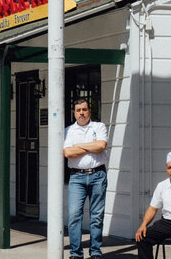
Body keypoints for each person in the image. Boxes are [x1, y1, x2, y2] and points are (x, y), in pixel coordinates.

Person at [63, 98, 109, 259]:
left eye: (84, 109)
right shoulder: (68, 130)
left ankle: (95, 251)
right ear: (74, 113)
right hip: (77, 177)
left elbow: (101, 146)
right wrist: (91, 146)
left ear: (89, 111)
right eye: (78, 110)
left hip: (98, 175)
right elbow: (68, 153)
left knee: (97, 216)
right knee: (75, 215)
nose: (81, 113)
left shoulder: (99, 126)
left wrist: (78, 147)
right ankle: (76, 253)